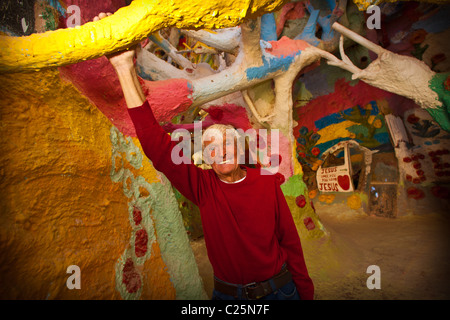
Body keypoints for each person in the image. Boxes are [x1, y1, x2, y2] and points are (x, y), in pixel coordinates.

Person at [96, 12, 314, 300]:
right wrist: (123, 66)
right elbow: (153, 141)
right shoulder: (203, 187)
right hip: (227, 297)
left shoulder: (267, 183)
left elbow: (290, 242)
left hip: (281, 291)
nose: (220, 149)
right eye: (211, 146)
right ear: (206, 159)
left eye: (226, 142)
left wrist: (305, 292)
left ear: (239, 148)